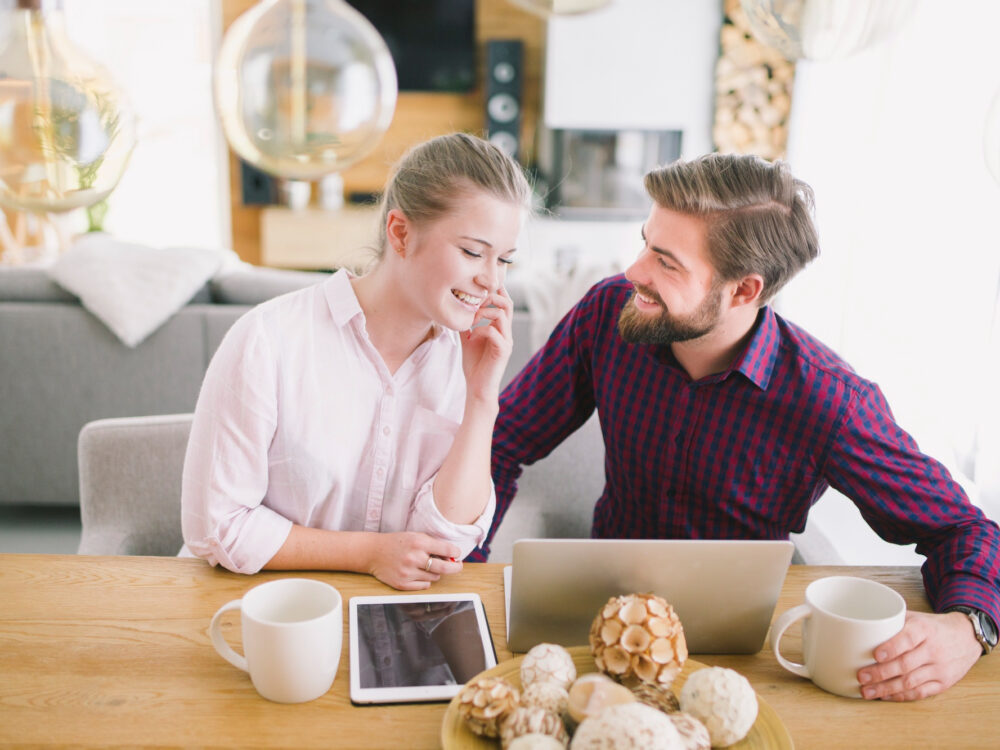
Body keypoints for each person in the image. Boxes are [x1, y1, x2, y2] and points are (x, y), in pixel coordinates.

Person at [471, 153, 1000, 701]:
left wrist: (968, 627)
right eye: (645, 242)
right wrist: (468, 565)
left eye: (667, 263)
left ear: (744, 291)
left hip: (739, 658)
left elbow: (964, 529)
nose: (634, 272)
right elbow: (501, 441)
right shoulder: (608, 315)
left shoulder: (829, 401)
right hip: (601, 625)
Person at [181, 132, 532, 590]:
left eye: (504, 259)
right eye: (472, 252)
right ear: (401, 233)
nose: (490, 280)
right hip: (251, 602)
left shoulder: (464, 361)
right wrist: (368, 554)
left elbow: (445, 542)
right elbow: (219, 526)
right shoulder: (268, 339)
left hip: (384, 613)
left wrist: (483, 398)